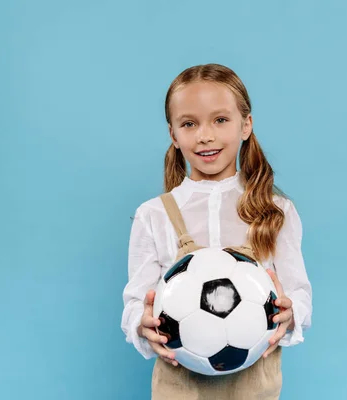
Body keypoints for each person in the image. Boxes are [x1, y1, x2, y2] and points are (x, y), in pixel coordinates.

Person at [120, 63, 312, 399]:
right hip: (179, 386)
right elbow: (137, 300)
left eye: (220, 120)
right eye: (189, 123)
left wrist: (290, 311)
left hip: (255, 385)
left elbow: (299, 294)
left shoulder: (277, 211)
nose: (205, 135)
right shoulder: (153, 215)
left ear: (245, 125)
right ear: (173, 135)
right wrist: (142, 323)